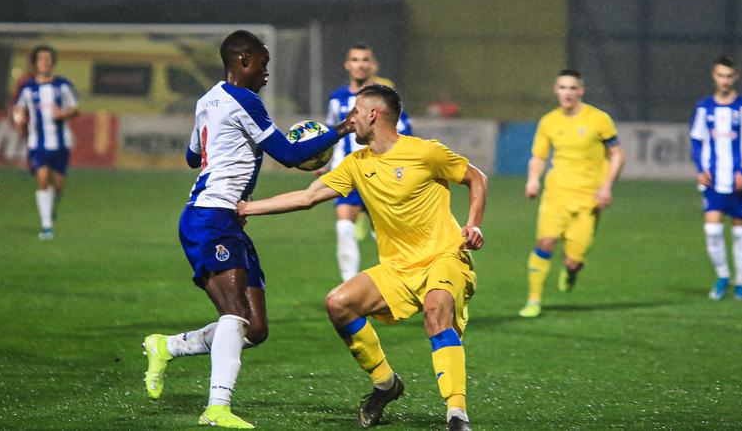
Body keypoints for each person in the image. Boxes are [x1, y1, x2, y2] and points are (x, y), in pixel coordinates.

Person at [239, 84, 487, 431]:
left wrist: (473, 224)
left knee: (436, 310)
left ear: (373, 114)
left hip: (444, 257)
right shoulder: (356, 164)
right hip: (397, 268)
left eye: (354, 111)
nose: (348, 119)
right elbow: (308, 196)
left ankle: (457, 413)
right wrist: (247, 207)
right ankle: (386, 384)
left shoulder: (425, 153)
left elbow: (476, 178)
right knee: (339, 303)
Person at [141, 30, 354, 429]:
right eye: (262, 63)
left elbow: (192, 157)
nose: (267, 72)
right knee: (235, 314)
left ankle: (167, 346)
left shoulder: (207, 99)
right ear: (242, 60)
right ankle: (217, 408)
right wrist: (340, 130)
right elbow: (289, 155)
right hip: (211, 216)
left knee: (254, 328)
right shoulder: (245, 100)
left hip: (223, 218)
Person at [519, 69, 625, 318]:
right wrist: (533, 179)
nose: (567, 93)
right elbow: (539, 156)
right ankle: (533, 300)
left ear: (581, 91)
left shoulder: (599, 120)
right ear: (556, 90)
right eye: (563, 88)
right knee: (545, 242)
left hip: (589, 199)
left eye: (572, 88)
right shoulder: (548, 121)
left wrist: (607, 186)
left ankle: (572, 269)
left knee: (572, 260)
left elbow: (617, 154)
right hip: (556, 194)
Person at [324, 43, 413, 281]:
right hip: (348, 171)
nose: (360, 64)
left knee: (384, 232)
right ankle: (349, 285)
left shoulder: (384, 97)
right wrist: (324, 160)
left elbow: (404, 128)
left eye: (365, 60)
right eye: (355, 59)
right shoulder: (338, 98)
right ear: (347, 65)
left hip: (379, 170)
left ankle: (403, 279)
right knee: (344, 226)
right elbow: (333, 131)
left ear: (372, 65)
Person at [689, 55, 742, 302]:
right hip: (712, 181)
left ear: (736, 77)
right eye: (720, 75)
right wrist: (700, 168)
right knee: (711, 230)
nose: (724, 81)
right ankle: (722, 276)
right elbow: (697, 141)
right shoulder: (703, 108)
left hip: (739, 180)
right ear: (714, 76)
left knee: (740, 232)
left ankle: (740, 283)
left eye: (729, 76)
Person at [13, 46, 79, 240]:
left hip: (61, 143)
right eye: (41, 58)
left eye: (48, 58)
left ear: (53, 62)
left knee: (58, 186)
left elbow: (75, 109)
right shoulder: (27, 88)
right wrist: (20, 118)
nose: (45, 62)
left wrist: (64, 113)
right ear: (35, 62)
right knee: (42, 179)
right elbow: (19, 110)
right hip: (37, 142)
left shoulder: (63, 85)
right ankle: (46, 226)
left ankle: (51, 208)